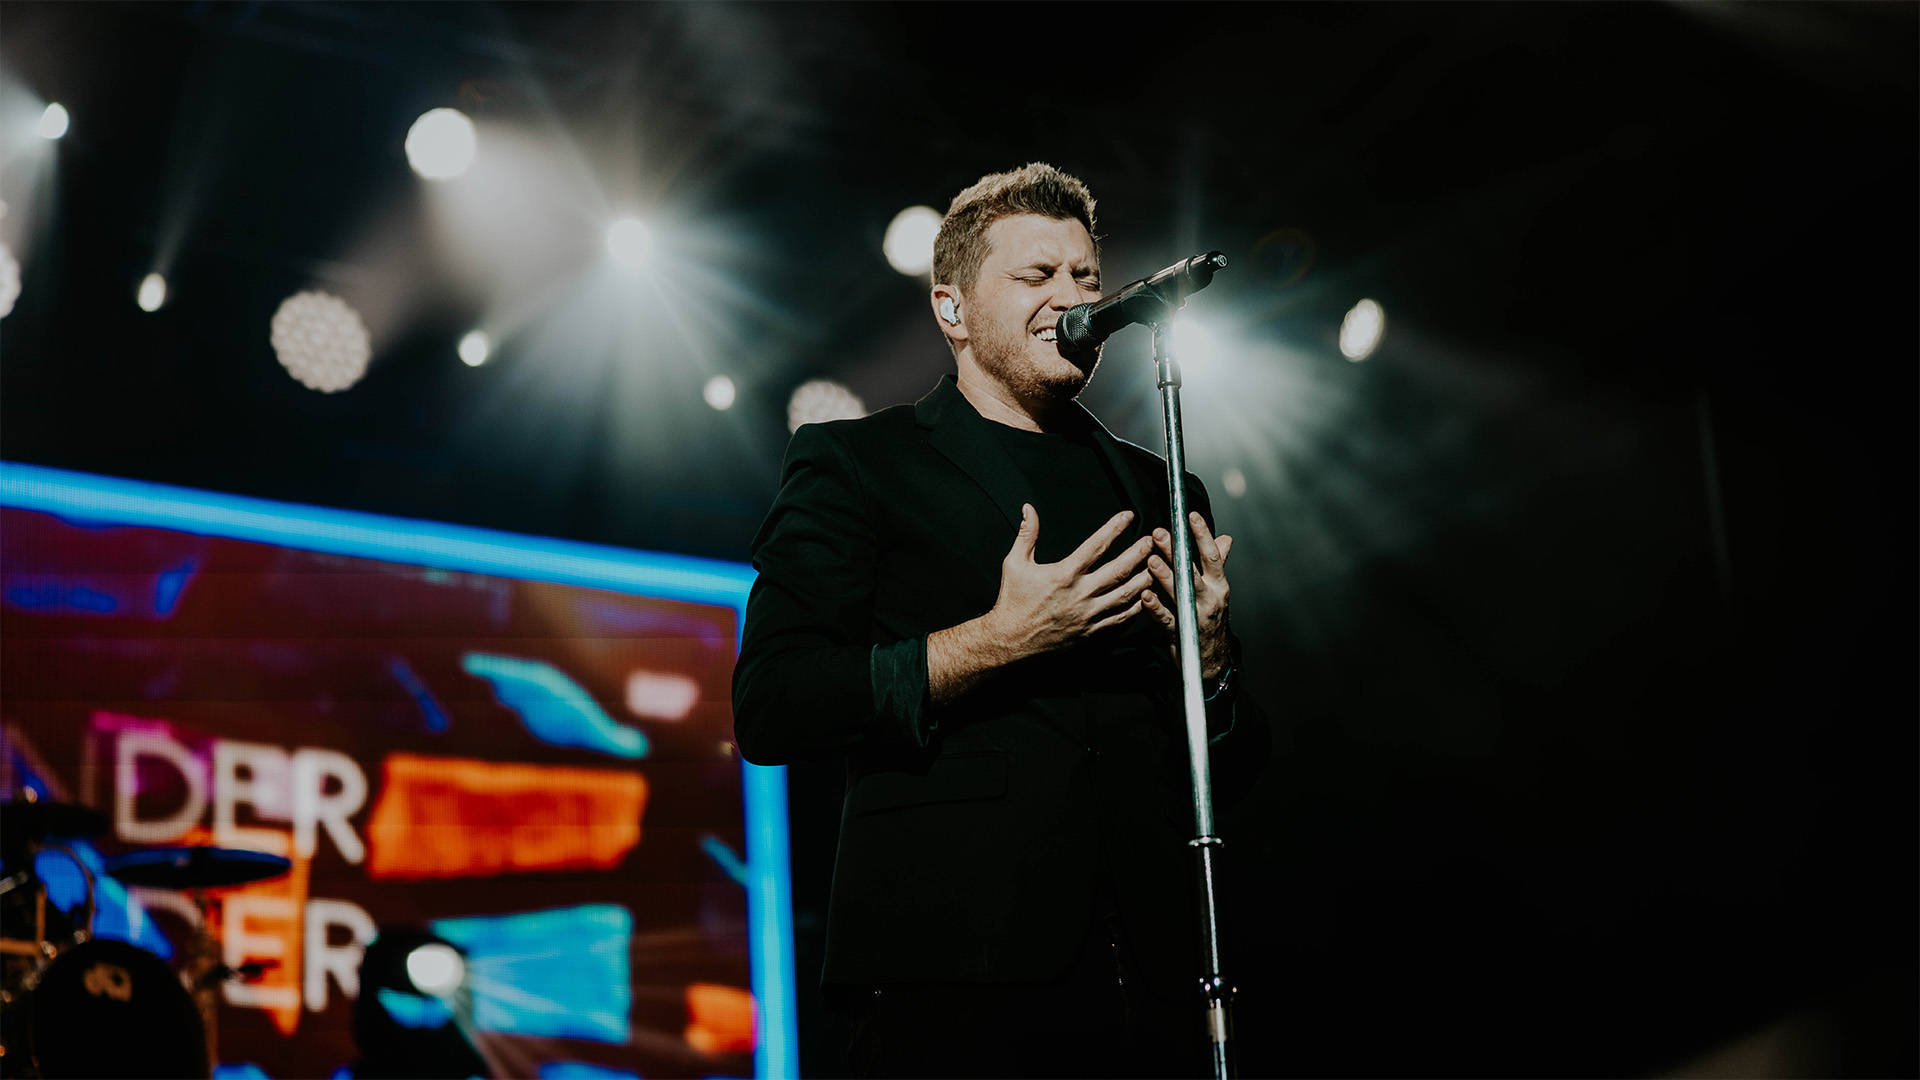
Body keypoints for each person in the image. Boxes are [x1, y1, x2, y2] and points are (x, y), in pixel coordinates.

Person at [732, 163, 1267, 1078]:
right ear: (953, 309)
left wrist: (1211, 664)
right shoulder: (857, 463)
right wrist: (996, 641)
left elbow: (1238, 768)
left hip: (1151, 982)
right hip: (949, 978)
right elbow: (775, 704)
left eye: (1086, 277)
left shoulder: (1160, 485)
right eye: (1036, 275)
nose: (1073, 297)